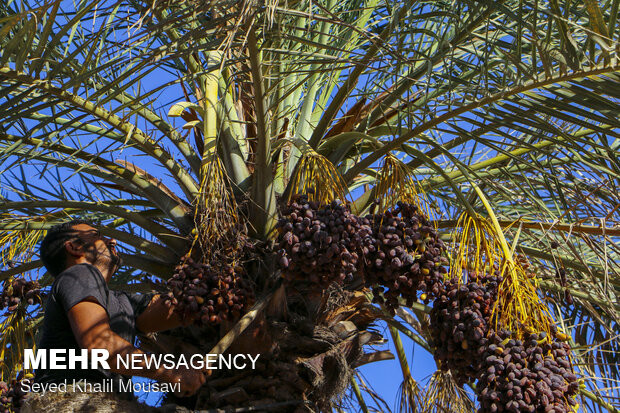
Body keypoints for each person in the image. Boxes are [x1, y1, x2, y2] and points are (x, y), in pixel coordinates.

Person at [34, 219, 206, 399]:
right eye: (97, 235)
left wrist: (213, 286)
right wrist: (170, 371)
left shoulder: (122, 301)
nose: (112, 241)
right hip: (72, 401)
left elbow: (180, 309)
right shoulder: (79, 273)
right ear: (75, 248)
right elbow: (99, 344)